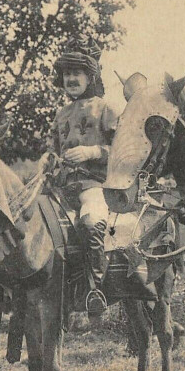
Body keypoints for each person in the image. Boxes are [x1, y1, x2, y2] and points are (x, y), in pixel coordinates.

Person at [38, 36, 118, 317]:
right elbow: (53, 149)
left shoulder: (106, 109)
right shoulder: (61, 114)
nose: (71, 78)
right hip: (59, 186)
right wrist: (47, 158)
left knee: (92, 222)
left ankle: (95, 290)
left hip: (92, 184)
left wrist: (92, 151)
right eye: (67, 74)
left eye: (76, 73)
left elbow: (122, 152)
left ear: (89, 76)